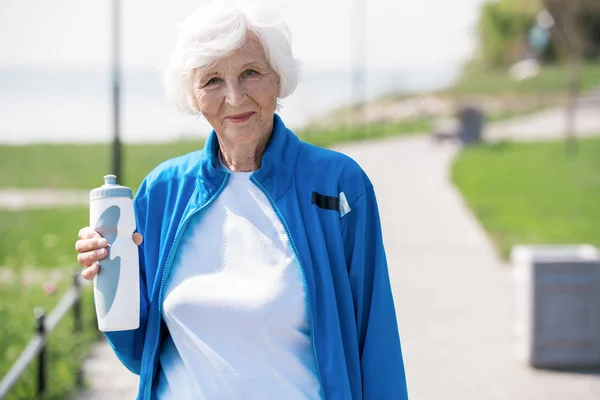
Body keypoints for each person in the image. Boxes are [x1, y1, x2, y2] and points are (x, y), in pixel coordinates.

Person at [75, 1, 408, 398]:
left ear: (278, 78)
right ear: (193, 95)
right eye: (212, 80)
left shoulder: (338, 185)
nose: (234, 97)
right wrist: (110, 276)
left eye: (250, 73)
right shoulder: (162, 190)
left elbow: (377, 341)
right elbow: (138, 350)